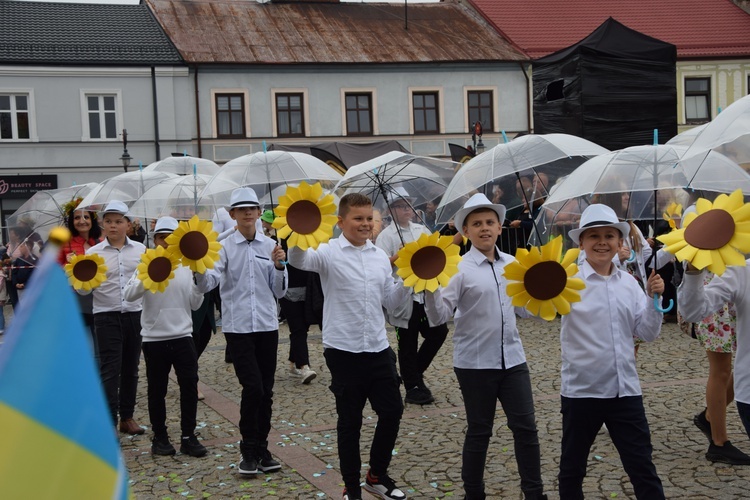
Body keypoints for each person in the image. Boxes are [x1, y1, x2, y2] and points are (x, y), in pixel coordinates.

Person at [288, 193, 411, 500]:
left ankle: (376, 476)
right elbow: (298, 259)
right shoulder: (329, 251)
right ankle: (352, 487)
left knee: (393, 411)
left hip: (378, 346)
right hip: (343, 349)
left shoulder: (380, 256)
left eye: (369, 218)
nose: (366, 224)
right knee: (350, 421)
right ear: (341, 221)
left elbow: (391, 302)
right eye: (358, 218)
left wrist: (411, 277)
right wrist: (300, 227)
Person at [424, 193, 547, 500]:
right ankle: (473, 494)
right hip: (475, 364)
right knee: (480, 432)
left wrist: (542, 287)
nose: (484, 228)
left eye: (490, 222)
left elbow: (526, 310)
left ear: (500, 227)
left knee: (526, 429)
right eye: (476, 223)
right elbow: (440, 315)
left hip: (513, 360)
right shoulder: (458, 268)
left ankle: (534, 493)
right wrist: (428, 286)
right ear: (465, 231)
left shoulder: (513, 264)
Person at [559, 204, 665, 499]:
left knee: (642, 467)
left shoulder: (630, 284)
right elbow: (531, 311)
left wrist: (653, 298)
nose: (602, 242)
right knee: (572, 469)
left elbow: (647, 333)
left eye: (609, 236)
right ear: (581, 242)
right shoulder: (568, 281)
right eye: (594, 236)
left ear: (621, 243)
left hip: (625, 391)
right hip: (583, 391)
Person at [195, 187, 287, 475]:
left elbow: (279, 291)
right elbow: (208, 283)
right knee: (253, 388)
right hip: (238, 328)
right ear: (233, 215)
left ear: (260, 213)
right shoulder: (223, 247)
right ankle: (248, 450)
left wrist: (280, 265)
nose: (248, 213)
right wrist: (198, 265)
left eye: (253, 208)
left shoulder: (270, 245)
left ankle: (262, 448)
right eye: (241, 209)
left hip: (267, 326)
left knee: (267, 391)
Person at [123, 216, 207, 457]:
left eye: (171, 238)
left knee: (189, 386)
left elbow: (194, 302)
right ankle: (160, 437)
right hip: (154, 338)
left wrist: (199, 284)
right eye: (161, 238)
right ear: (155, 240)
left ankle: (188, 436)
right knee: (156, 390)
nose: (166, 243)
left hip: (183, 335)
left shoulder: (186, 266)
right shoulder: (145, 263)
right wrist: (148, 277)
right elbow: (129, 295)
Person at [678, 198, 750, 465]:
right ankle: (718, 438)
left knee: (729, 369)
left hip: (731, 298)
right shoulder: (700, 212)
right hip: (713, 290)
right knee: (720, 370)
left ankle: (709, 416)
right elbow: (688, 247)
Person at [79, 200, 146, 435]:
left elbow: (146, 281)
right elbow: (84, 290)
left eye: (119, 221)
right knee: (110, 368)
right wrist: (80, 280)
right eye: (108, 222)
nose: (113, 226)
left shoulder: (140, 250)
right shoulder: (92, 253)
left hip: (134, 314)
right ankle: (109, 420)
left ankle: (127, 417)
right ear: (102, 225)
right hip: (105, 315)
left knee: (131, 367)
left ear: (128, 224)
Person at [376, 187, 448, 405]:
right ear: (390, 210)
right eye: (401, 205)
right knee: (407, 342)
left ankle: (413, 373)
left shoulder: (421, 229)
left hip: (425, 294)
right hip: (403, 296)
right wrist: (399, 255)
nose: (407, 209)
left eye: (408, 204)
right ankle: (413, 385)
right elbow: (381, 267)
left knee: (438, 331)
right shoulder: (385, 236)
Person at [58, 199, 103, 362]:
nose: (82, 221)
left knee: (101, 345)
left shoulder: (100, 243)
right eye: (77, 217)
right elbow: (54, 272)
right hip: (76, 301)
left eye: (86, 217)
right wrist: (66, 265)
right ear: (71, 221)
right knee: (86, 346)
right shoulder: (65, 244)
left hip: (98, 298)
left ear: (93, 220)